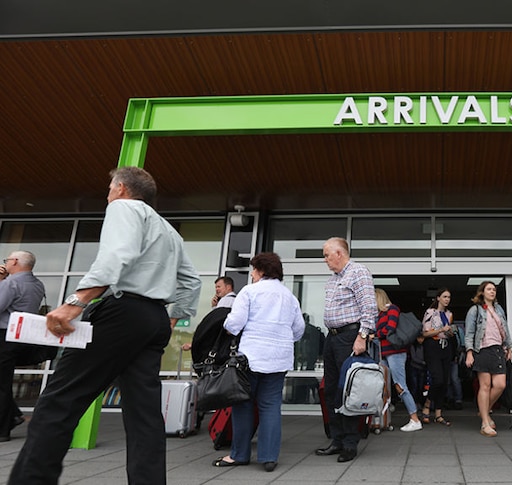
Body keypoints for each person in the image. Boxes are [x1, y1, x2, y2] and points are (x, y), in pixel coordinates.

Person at [8, 167, 201, 485]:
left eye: (110, 188)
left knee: (60, 401)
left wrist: (76, 302)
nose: (108, 194)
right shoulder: (168, 231)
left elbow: (117, 254)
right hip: (153, 319)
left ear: (121, 188)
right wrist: (169, 316)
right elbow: (191, 281)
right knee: (144, 416)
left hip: (122, 312)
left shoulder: (123, 208)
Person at [212, 252, 305, 472]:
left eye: (253, 270)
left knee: (243, 404)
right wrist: (281, 339)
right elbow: (299, 329)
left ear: (261, 271)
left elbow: (235, 324)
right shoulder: (289, 296)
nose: (252, 274)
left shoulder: (249, 292)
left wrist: (224, 325)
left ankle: (239, 455)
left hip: (250, 358)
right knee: (271, 407)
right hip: (279, 359)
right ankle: (269, 458)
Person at [315, 237, 376, 463]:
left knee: (350, 391)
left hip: (350, 337)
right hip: (332, 339)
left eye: (326, 255)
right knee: (331, 390)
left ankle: (350, 443)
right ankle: (337, 440)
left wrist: (362, 336)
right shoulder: (333, 280)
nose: (325, 260)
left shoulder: (358, 272)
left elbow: (369, 306)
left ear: (339, 253)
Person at [0, 251, 46, 441]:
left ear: (15, 262)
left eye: (7, 260)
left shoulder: (11, 283)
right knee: (2, 382)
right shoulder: (37, 284)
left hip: (3, 336)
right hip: (21, 337)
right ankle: (14, 415)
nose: (6, 263)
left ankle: (3, 429)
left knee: (1, 385)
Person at [464, 281, 512, 437]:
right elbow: (469, 333)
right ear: (482, 292)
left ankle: (483, 411)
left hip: (498, 350)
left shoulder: (499, 309)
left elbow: (505, 329)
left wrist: (509, 347)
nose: (492, 292)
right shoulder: (475, 310)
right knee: (484, 386)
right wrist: (469, 352)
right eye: (489, 289)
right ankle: (485, 423)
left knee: (500, 385)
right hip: (482, 350)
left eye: (494, 289)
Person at [373, 288, 422, 432]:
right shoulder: (379, 314)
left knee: (400, 385)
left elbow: (390, 328)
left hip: (395, 353)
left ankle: (415, 419)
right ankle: (384, 416)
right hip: (385, 353)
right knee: (382, 385)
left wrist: (375, 335)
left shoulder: (392, 309)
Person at [420, 288, 455, 426]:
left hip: (445, 346)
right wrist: (441, 330)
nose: (447, 299)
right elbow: (424, 333)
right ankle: (427, 405)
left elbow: (448, 332)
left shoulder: (449, 314)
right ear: (438, 298)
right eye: (445, 296)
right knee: (438, 379)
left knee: (445, 381)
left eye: (449, 297)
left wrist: (450, 333)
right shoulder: (430, 312)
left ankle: (439, 414)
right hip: (432, 346)